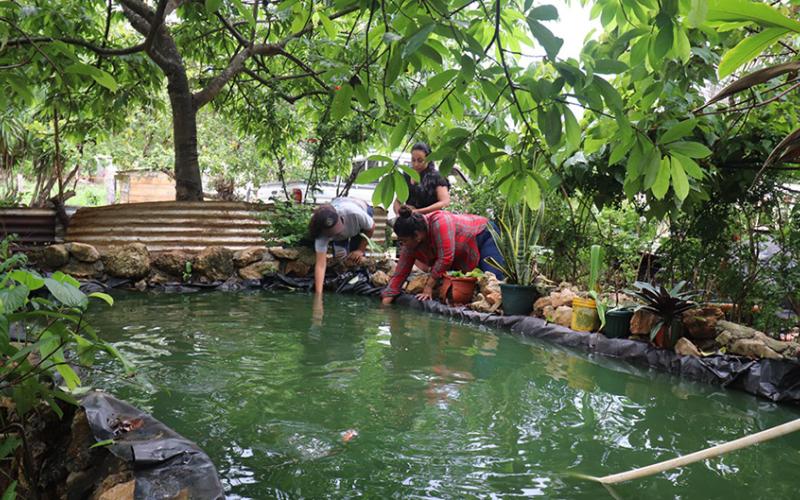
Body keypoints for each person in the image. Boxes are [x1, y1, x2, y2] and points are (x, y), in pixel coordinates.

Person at [381, 206, 505, 305]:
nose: (402, 244)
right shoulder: (410, 244)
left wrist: (428, 287)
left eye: (404, 240)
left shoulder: (440, 222)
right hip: (462, 249)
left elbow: (446, 258)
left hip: (483, 234)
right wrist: (385, 306)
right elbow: (400, 273)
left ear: (417, 235)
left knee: (492, 280)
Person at [309, 197, 375, 295]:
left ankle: (357, 279)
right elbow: (321, 265)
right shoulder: (321, 235)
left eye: (336, 230)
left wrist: (360, 250)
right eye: (332, 233)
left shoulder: (354, 213)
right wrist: (319, 295)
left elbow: (371, 227)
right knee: (341, 259)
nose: (337, 233)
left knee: (356, 257)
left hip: (360, 211)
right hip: (346, 222)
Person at [392, 142, 450, 216]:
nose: (416, 164)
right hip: (410, 220)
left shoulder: (437, 177)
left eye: (420, 160)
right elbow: (398, 201)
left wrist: (418, 211)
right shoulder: (407, 175)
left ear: (428, 159)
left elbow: (445, 202)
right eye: (413, 160)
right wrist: (399, 214)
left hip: (430, 220)